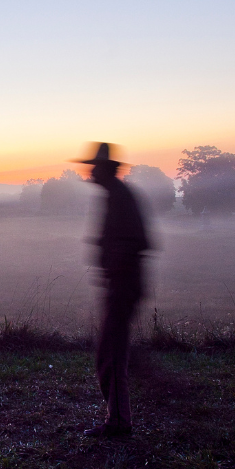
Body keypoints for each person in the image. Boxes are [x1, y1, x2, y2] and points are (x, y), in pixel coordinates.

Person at [76, 142, 150, 438]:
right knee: (111, 351)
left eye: (95, 167)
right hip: (121, 284)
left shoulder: (119, 197)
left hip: (123, 284)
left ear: (106, 169)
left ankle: (119, 423)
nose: (90, 171)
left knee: (111, 355)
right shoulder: (116, 195)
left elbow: (137, 241)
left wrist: (116, 270)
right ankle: (118, 418)